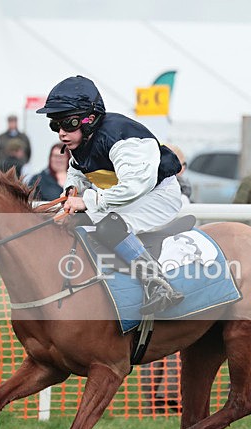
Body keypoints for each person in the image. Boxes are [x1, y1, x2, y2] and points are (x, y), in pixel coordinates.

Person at [37, 74, 184, 315]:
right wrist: (73, 190)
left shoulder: (122, 138)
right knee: (76, 222)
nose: (62, 133)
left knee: (109, 226)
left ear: (90, 119)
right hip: (127, 195)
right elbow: (77, 171)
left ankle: (158, 284)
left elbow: (134, 186)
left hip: (156, 195)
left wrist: (87, 201)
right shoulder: (81, 141)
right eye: (56, 125)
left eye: (69, 124)